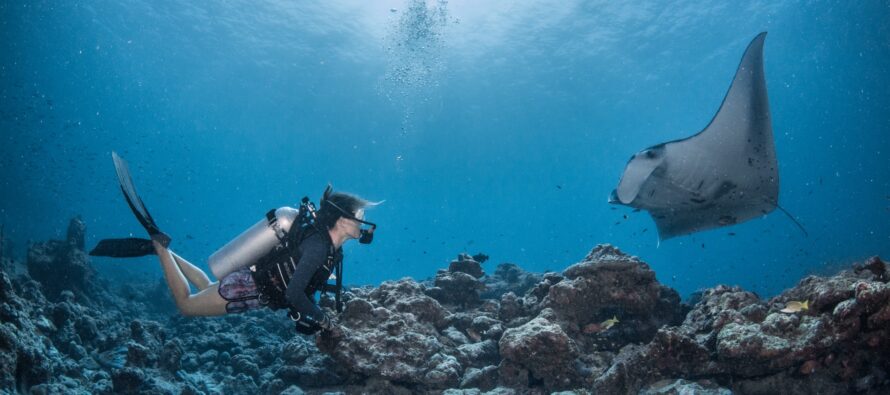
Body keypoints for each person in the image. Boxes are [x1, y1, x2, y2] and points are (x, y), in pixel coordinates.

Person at [90, 153, 377, 335]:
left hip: (249, 282)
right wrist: (324, 321)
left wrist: (316, 313)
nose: (362, 221)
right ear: (341, 220)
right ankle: (160, 248)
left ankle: (163, 250)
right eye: (359, 216)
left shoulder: (328, 247)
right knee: (186, 305)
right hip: (248, 289)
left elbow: (302, 286)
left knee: (204, 288)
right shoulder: (319, 246)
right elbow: (293, 293)